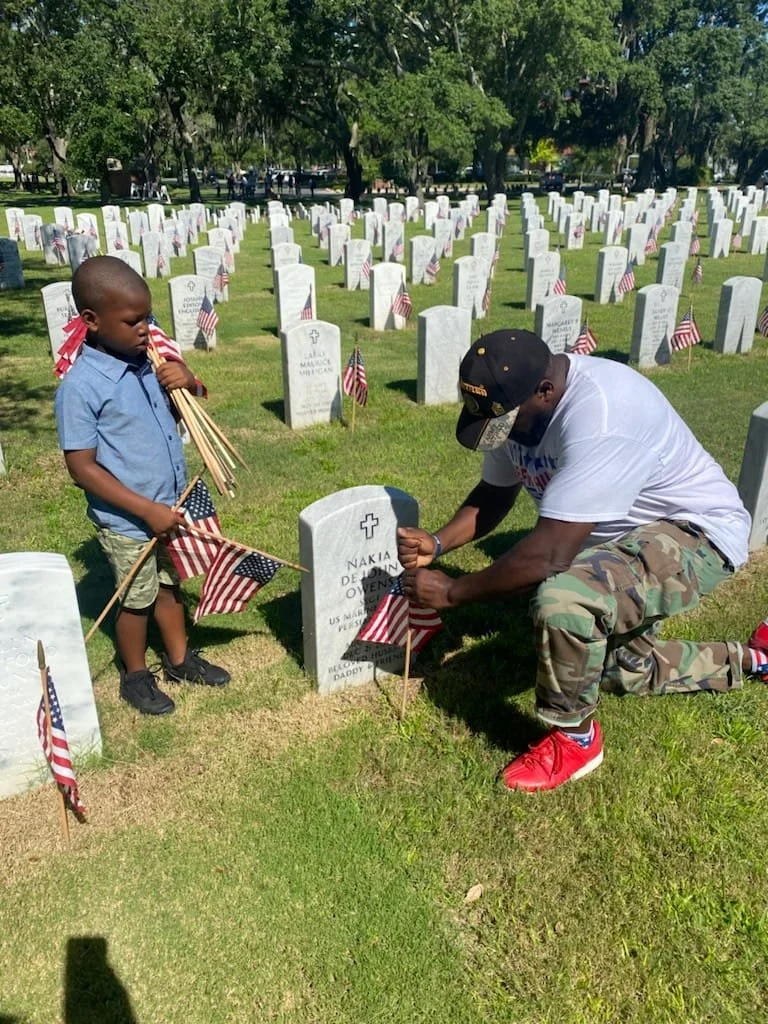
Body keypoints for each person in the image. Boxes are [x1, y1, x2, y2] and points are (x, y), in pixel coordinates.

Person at [398, 329, 766, 791]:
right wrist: (438, 541)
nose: (503, 434)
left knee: (566, 600)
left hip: (697, 534)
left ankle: (577, 739)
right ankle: (754, 659)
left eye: (506, 423)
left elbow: (548, 555)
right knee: (622, 671)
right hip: (618, 543)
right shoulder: (520, 407)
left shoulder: (604, 416)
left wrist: (452, 591)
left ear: (546, 391)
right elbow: (495, 492)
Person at [54, 257, 230, 716]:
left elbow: (171, 418)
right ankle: (135, 675)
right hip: (129, 520)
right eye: (133, 321)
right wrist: (144, 509)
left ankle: (178, 660)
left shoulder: (149, 364)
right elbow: (82, 468)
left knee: (170, 588)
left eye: (148, 318)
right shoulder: (81, 387)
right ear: (91, 321)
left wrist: (187, 381)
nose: (144, 329)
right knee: (136, 599)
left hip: (169, 505)